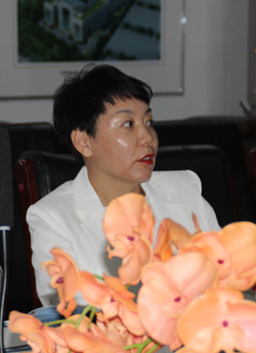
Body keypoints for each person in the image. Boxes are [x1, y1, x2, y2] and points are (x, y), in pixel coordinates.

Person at [27, 64, 220, 311]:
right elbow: (72, 312)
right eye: (128, 124)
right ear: (84, 142)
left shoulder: (185, 191)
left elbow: (228, 278)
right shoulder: (53, 218)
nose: (148, 137)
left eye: (149, 122)